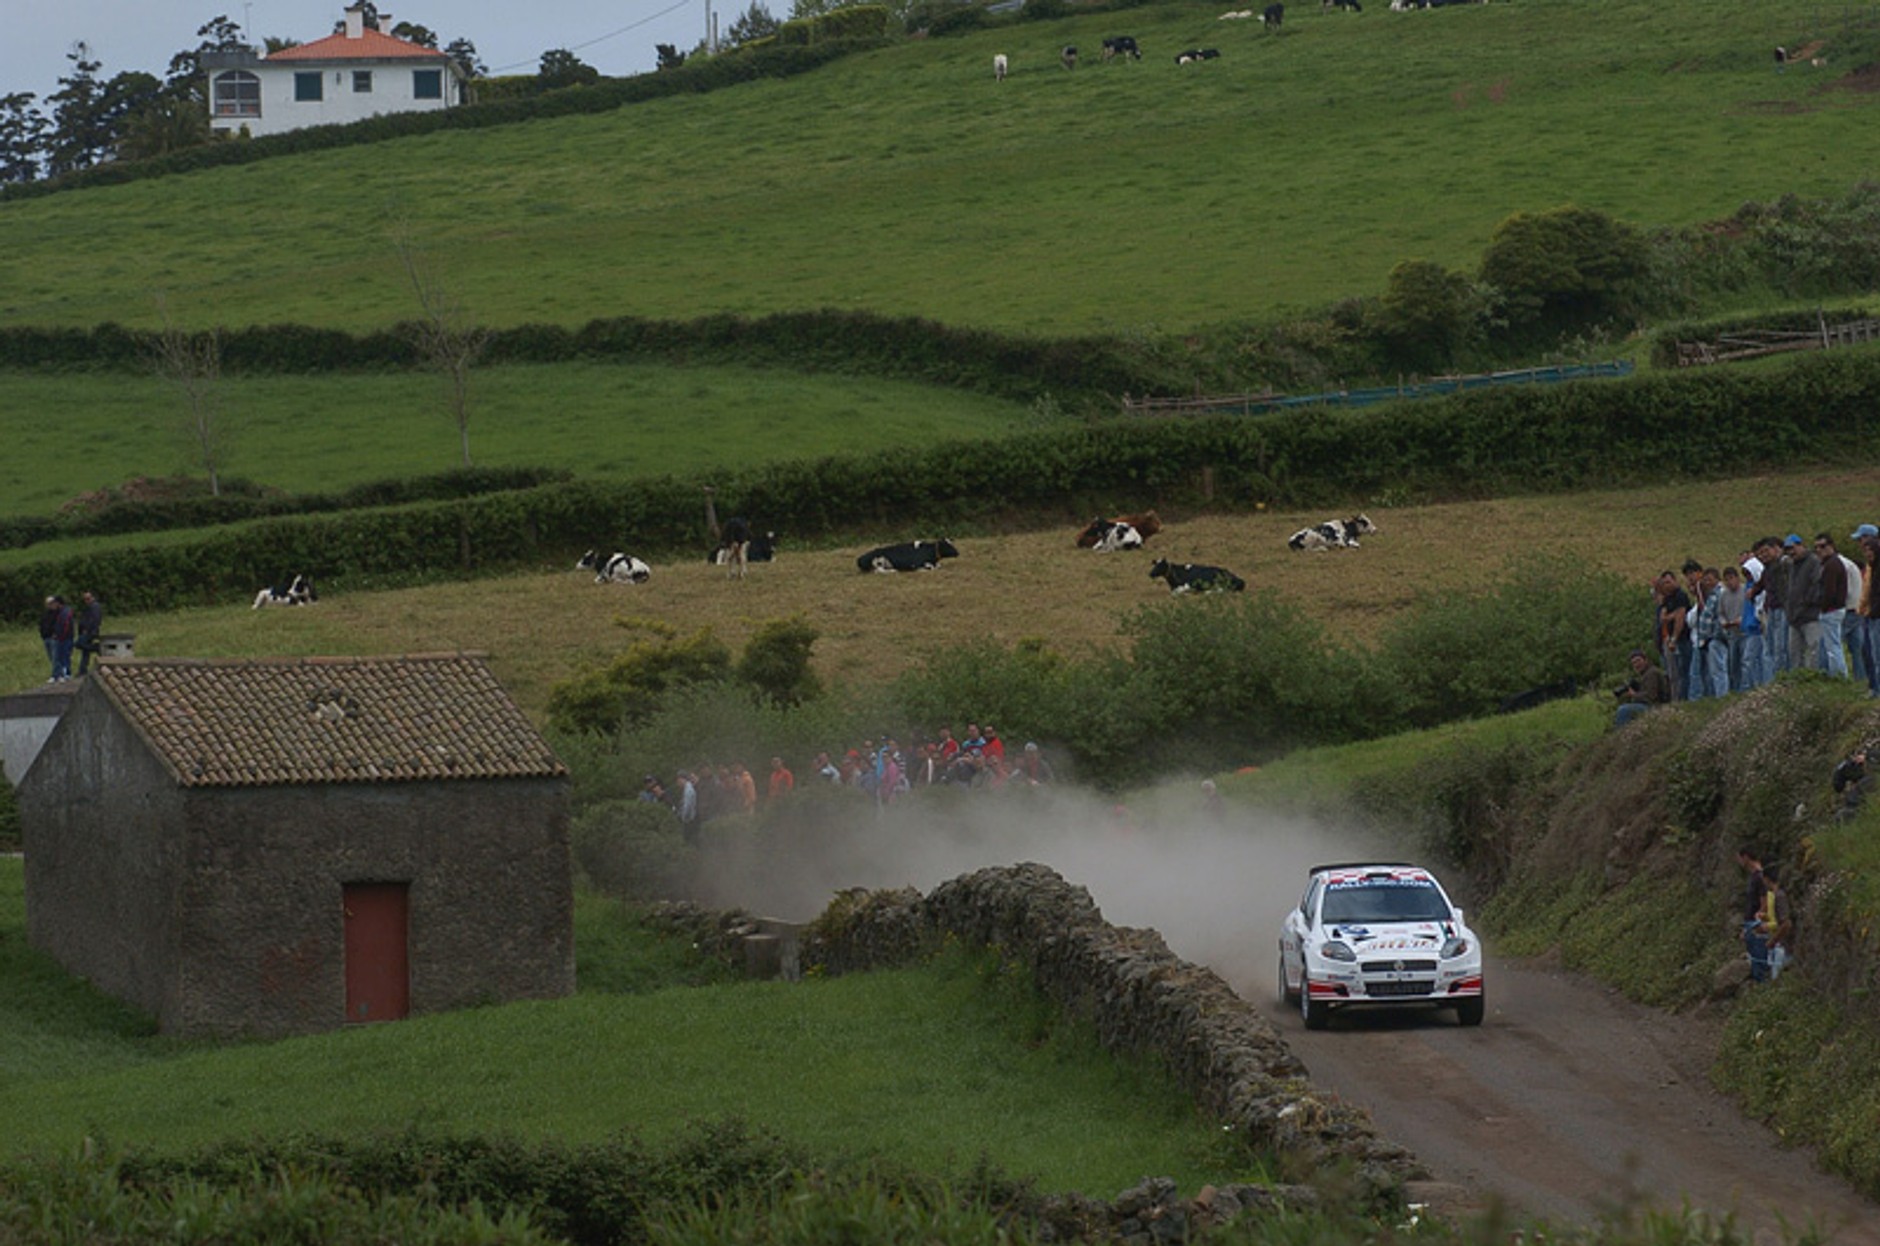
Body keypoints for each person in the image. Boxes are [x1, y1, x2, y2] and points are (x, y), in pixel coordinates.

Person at [1784, 534, 1823, 672]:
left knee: (1813, 649)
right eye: (1787, 549)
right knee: (1794, 651)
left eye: (1792, 548)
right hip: (1794, 616)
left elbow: (1815, 587)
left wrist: (1805, 604)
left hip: (1810, 614)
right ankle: (1798, 679)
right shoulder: (1791, 565)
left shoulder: (1813, 562)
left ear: (1801, 545)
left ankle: (1813, 677)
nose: (1790, 552)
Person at [1814, 533, 1850, 678]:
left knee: (1833, 646)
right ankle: (1829, 673)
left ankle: (1840, 675)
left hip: (1832, 609)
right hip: (1832, 609)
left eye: (1823, 546)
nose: (1819, 550)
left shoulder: (1832, 564)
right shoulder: (1828, 564)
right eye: (1816, 547)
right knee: (1828, 644)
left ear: (1831, 546)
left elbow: (1830, 590)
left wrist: (1823, 606)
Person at [1737, 846, 1770, 983]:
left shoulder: (1759, 877)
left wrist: (1758, 921)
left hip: (1755, 923)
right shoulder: (1754, 877)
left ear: (1745, 857)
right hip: (1750, 922)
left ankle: (1762, 984)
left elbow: (1765, 900)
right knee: (1753, 955)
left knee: (1759, 957)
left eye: (1739, 858)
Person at [1614, 649, 1671, 727]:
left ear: (1645, 660)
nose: (1637, 665)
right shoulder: (1645, 674)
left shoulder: (1652, 673)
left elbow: (1650, 696)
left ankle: (1620, 735)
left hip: (1656, 706)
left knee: (1623, 710)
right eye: (1634, 663)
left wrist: (1634, 694)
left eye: (1638, 661)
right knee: (1626, 708)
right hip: (1652, 705)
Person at [1761, 862, 1795, 979]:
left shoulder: (1779, 896)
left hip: (1783, 949)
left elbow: (1786, 923)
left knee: (1776, 980)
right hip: (1780, 947)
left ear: (1766, 879)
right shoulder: (1776, 895)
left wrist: (1772, 941)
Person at [1832, 748, 1870, 822]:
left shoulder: (1846, 764)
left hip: (1840, 783)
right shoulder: (1848, 766)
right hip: (1840, 785)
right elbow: (1856, 775)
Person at [72, 590, 104, 676]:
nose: (86, 601)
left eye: (88, 598)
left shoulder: (95, 607)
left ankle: (96, 648)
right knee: (85, 651)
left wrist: (89, 629)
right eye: (85, 599)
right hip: (84, 631)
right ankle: (83, 670)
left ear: (92, 598)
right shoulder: (89, 607)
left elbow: (95, 620)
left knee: (78, 644)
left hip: (89, 632)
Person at [38, 596, 61, 683]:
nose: (50, 605)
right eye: (48, 603)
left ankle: (55, 676)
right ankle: (60, 673)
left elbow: (59, 625)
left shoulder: (58, 613)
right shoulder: (45, 614)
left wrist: (56, 633)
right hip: (46, 637)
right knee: (51, 657)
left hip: (54, 638)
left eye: (51, 603)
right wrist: (42, 634)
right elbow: (41, 624)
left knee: (55, 657)